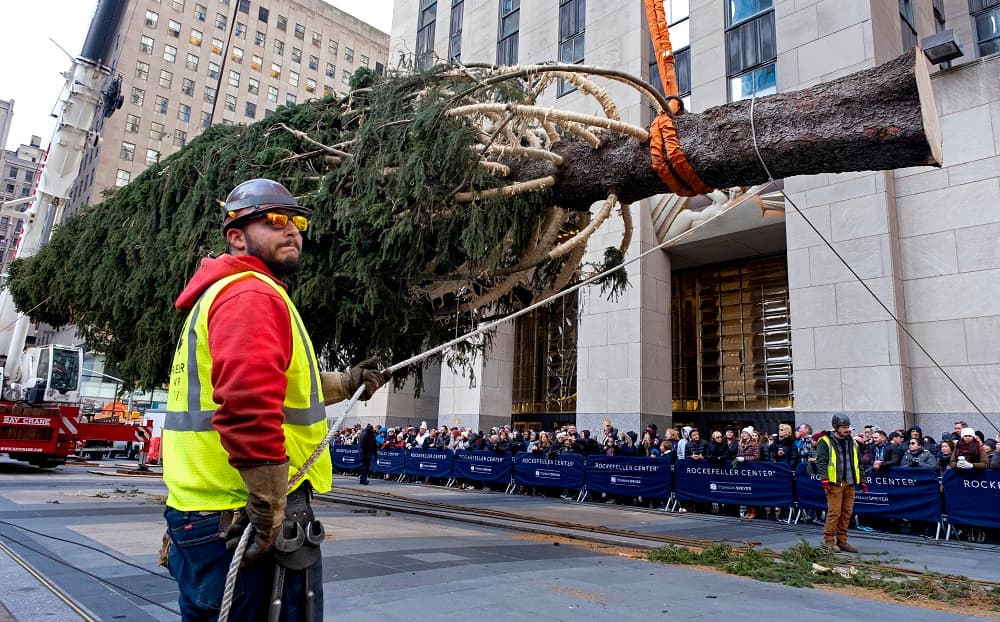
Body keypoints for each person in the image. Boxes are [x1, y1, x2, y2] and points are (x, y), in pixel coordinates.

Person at [160, 179, 387, 621]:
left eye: (297, 221)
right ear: (236, 236)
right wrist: (267, 505)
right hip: (239, 515)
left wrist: (347, 382)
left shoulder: (233, 294)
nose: (292, 230)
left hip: (203, 515)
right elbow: (247, 402)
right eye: (274, 219)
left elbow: (277, 381)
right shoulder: (251, 294)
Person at [815, 413, 863, 553]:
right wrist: (824, 478)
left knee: (847, 512)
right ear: (835, 427)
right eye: (844, 427)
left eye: (848, 427)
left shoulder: (852, 441)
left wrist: (863, 479)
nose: (847, 430)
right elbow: (821, 461)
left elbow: (858, 462)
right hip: (834, 482)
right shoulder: (825, 441)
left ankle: (842, 541)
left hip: (850, 481)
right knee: (834, 512)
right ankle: (829, 541)